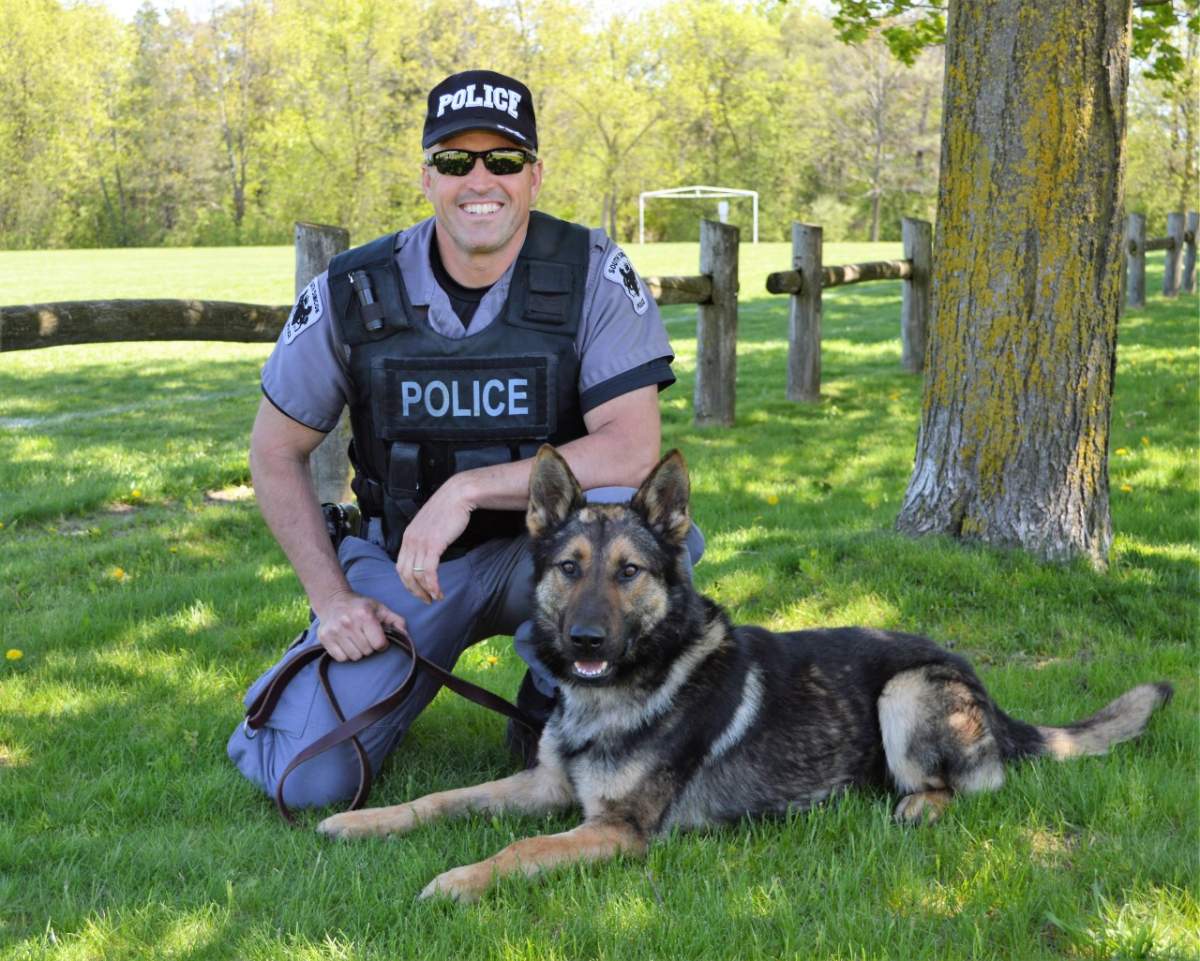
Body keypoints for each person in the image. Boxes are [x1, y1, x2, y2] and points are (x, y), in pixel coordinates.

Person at [227, 69, 702, 809]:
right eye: (455, 160)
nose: (480, 179)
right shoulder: (355, 290)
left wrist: (467, 488)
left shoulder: (592, 273)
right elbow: (273, 451)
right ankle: (350, 669)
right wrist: (331, 598)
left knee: (650, 536)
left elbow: (633, 448)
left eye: (503, 160)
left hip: (544, 562)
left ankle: (556, 689)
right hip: (405, 565)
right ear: (427, 177)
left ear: (535, 176)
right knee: (311, 783)